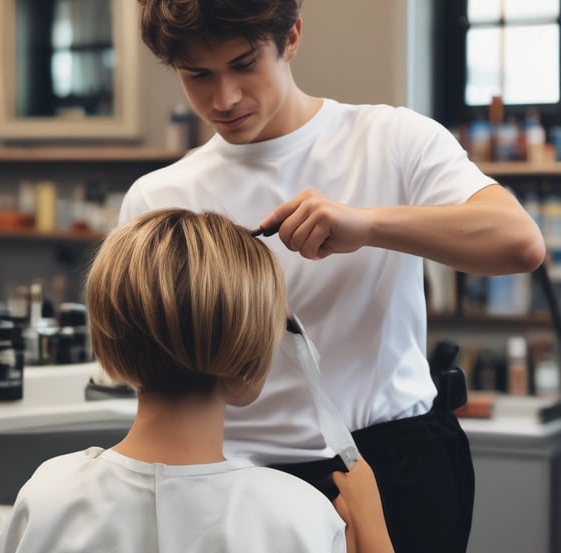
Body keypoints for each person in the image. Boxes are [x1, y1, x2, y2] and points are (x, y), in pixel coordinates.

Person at [120, 3, 546, 553]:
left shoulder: (392, 139)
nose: (223, 98)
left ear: (290, 37)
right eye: (197, 75)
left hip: (397, 468)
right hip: (235, 483)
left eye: (244, 64)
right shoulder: (159, 198)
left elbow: (519, 242)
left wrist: (366, 224)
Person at [0, 208, 393, 553]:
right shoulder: (297, 515)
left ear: (108, 339)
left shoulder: (48, 497)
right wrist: (373, 531)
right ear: (251, 354)